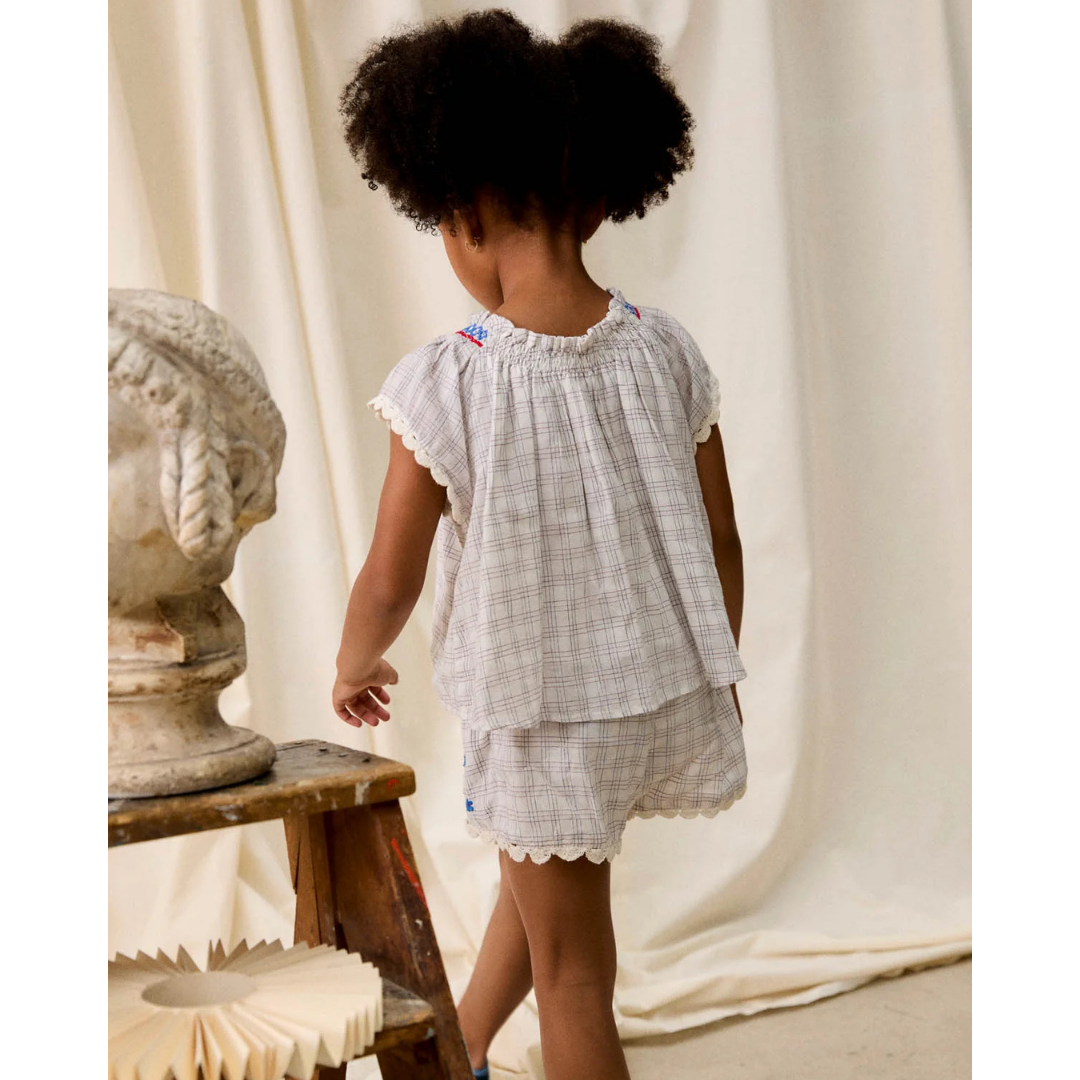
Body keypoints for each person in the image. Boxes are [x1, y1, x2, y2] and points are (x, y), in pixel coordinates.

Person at [331, 10, 748, 1080]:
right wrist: (717, 668)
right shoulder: (667, 350)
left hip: (544, 715)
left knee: (574, 977)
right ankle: (461, 1051)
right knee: (547, 883)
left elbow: (390, 575)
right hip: (657, 697)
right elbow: (720, 541)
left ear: (460, 213)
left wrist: (354, 661)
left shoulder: (453, 377)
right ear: (601, 200)